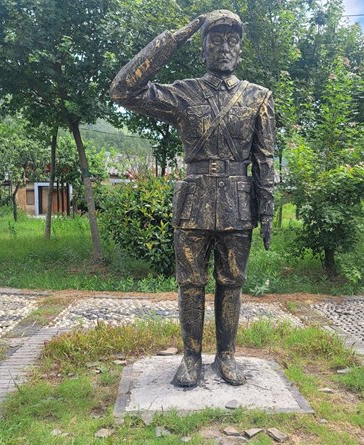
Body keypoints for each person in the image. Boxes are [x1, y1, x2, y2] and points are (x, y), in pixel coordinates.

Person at [110, 10, 275, 387]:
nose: (225, 47)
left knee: (232, 282)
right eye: (215, 40)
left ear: (240, 50)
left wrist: (266, 211)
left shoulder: (258, 97)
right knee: (190, 283)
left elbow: (264, 159)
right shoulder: (184, 93)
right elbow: (123, 90)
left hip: (237, 203)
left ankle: (227, 355)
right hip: (193, 203)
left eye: (232, 40)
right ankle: (191, 357)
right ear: (202, 49)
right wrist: (176, 36)